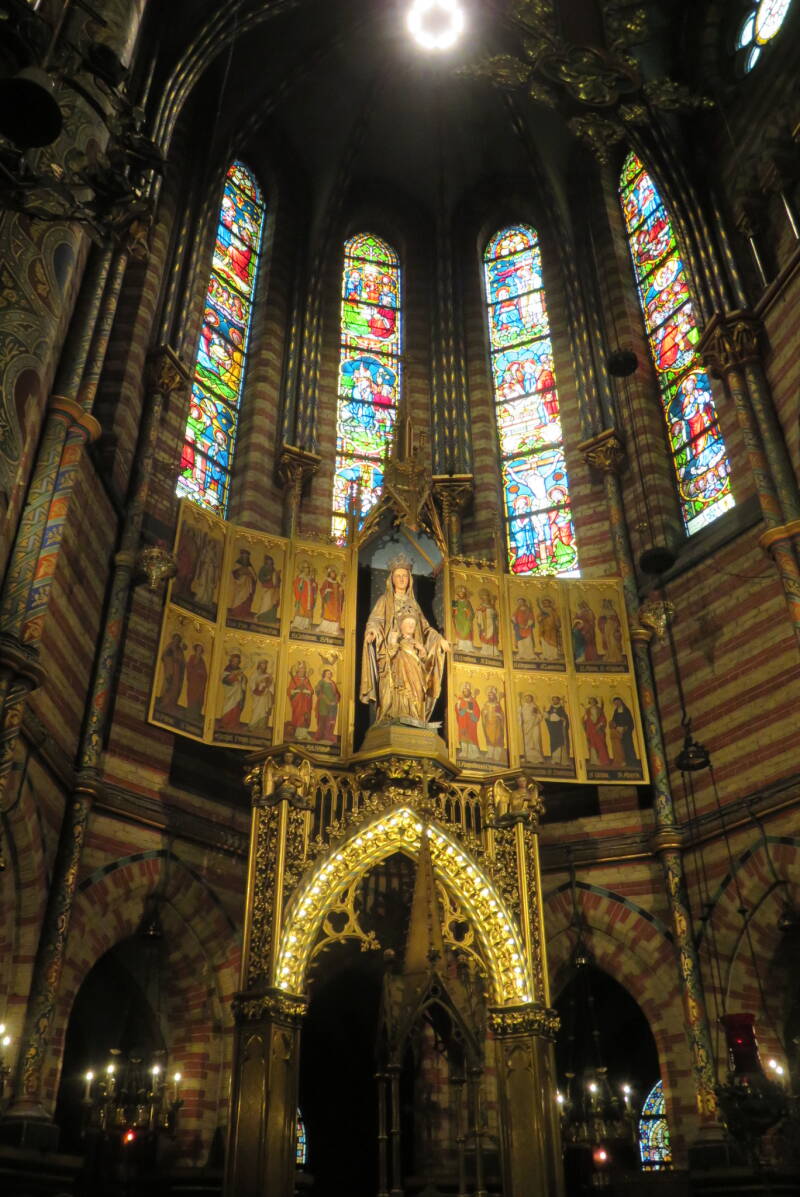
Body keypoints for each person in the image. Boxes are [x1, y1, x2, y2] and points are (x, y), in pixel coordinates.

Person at [360, 558, 449, 726]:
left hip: (412, 653)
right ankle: (391, 715)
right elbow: (375, 621)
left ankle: (414, 716)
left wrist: (439, 639)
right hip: (391, 654)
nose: (402, 579)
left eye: (405, 576)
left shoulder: (414, 604)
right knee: (393, 689)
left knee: (415, 687)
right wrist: (372, 632)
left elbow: (425, 628)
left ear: (410, 579)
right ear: (392, 579)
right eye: (398, 576)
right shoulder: (385, 600)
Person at [217, 653, 247, 731]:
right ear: (231, 661)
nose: (235, 663)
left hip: (238, 693)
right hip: (230, 693)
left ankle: (234, 724)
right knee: (228, 707)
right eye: (234, 661)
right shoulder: (227, 670)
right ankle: (225, 723)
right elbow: (224, 680)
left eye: (237, 661)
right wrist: (233, 677)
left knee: (236, 709)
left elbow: (243, 680)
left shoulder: (239, 670)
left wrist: (242, 678)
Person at [159, 632, 186, 713]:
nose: (176, 641)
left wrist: (179, 660)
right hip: (170, 669)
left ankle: (172, 703)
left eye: (178, 639)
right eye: (175, 639)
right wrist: (172, 659)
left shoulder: (180, 650)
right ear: (173, 639)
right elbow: (164, 656)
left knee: (176, 686)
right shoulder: (169, 646)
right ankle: (165, 702)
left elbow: (182, 661)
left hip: (177, 671)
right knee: (168, 684)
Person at [228, 548, 257, 621]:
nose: (245, 558)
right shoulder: (237, 564)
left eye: (246, 557)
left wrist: (249, 575)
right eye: (244, 556)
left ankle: (244, 613)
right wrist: (240, 573)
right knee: (238, 597)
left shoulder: (250, 567)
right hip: (240, 584)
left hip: (248, 585)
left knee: (246, 598)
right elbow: (234, 574)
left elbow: (254, 577)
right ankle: (236, 612)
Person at [609, 697, 638, 768]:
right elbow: (614, 720)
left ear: (621, 701)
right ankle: (624, 761)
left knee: (628, 745)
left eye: (618, 702)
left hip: (626, 731)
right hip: (619, 731)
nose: (617, 704)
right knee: (621, 747)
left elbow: (630, 721)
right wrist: (615, 726)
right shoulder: (616, 711)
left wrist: (625, 728)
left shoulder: (626, 710)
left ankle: (631, 762)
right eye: (615, 703)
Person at [287, 661, 313, 739]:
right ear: (298, 669)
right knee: (299, 716)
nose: (303, 670)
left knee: (306, 716)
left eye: (304, 668)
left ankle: (304, 733)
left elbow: (311, 690)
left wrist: (307, 691)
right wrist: (297, 691)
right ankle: (298, 734)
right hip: (298, 702)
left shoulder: (306, 679)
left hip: (306, 702)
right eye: (301, 668)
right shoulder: (294, 679)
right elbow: (290, 691)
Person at [314, 668, 341, 743]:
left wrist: (335, 700)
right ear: (324, 674)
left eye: (330, 673)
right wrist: (327, 700)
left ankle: (328, 736)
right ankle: (320, 736)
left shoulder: (332, 682)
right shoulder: (321, 682)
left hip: (333, 705)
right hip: (323, 704)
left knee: (331, 720)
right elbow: (318, 691)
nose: (330, 674)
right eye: (328, 673)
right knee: (322, 720)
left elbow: (337, 693)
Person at [455, 684, 481, 760]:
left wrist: (471, 712)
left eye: (467, 690)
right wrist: (458, 706)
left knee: (471, 736)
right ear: (463, 692)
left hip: (471, 722)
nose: (466, 692)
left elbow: (477, 711)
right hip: (462, 722)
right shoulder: (461, 701)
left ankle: (474, 753)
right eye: (464, 690)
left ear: (470, 692)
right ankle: (464, 752)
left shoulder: (473, 701)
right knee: (463, 736)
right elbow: (459, 711)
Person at [583, 696, 611, 766]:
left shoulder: (599, 709)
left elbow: (603, 719)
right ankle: (594, 761)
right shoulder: (588, 710)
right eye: (590, 702)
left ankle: (603, 761)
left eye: (593, 701)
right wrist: (585, 719)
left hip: (598, 730)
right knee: (592, 744)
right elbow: (585, 719)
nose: (592, 703)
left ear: (595, 702)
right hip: (590, 729)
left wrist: (600, 725)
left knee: (600, 744)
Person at [519, 693, 546, 764]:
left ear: (532, 699)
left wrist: (535, 718)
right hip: (526, 726)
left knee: (535, 740)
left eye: (529, 698)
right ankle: (528, 758)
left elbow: (539, 716)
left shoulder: (534, 706)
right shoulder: (522, 707)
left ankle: (538, 758)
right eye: (526, 698)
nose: (527, 699)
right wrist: (521, 720)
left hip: (534, 726)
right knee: (527, 742)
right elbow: (519, 717)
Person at [248, 659, 274, 732]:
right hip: (258, 695)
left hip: (265, 695)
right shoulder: (255, 674)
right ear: (259, 665)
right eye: (262, 664)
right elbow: (252, 683)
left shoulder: (267, 674)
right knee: (257, 710)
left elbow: (271, 685)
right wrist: (260, 684)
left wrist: (269, 682)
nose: (264, 666)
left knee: (264, 711)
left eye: (265, 664)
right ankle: (252, 726)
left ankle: (261, 726)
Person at [482, 686, 506, 764]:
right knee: (489, 739)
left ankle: (496, 756)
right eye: (489, 695)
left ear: (494, 696)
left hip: (497, 725)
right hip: (488, 725)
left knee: (497, 739)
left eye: (492, 695)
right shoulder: (486, 704)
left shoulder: (497, 704)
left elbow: (501, 714)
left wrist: (499, 715)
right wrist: (484, 713)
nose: (490, 696)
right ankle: (490, 755)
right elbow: (483, 712)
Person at [317, 567, 345, 636]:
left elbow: (340, 591)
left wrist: (341, 591)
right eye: (332, 573)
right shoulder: (326, 581)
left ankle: (334, 630)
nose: (333, 574)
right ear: (329, 574)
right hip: (329, 601)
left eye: (334, 573)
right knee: (328, 614)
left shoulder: (337, 583)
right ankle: (324, 628)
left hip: (336, 602)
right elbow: (322, 590)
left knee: (335, 615)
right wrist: (326, 591)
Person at [256, 553, 281, 626]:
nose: (269, 563)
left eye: (271, 562)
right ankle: (262, 617)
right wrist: (267, 577)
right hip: (267, 588)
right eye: (268, 561)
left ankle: (271, 619)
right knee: (266, 603)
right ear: (266, 562)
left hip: (274, 589)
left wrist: (277, 575)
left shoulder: (273, 569)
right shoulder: (263, 568)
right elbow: (260, 577)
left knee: (273, 603)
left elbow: (277, 579)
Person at [545, 696, 570, 765]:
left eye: (556, 700)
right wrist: (546, 715)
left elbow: (565, 718)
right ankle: (555, 759)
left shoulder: (561, 708)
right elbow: (547, 717)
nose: (554, 701)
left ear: (559, 701)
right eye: (553, 700)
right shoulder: (551, 708)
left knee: (561, 742)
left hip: (560, 728)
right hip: (553, 729)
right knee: (554, 743)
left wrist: (562, 719)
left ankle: (563, 760)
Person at [598, 598, 624, 664]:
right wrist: (603, 621)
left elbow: (617, 621)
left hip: (612, 627)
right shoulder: (602, 611)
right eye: (605, 604)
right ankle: (609, 656)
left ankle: (615, 657)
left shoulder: (613, 611)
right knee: (608, 641)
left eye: (607, 604)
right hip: (606, 628)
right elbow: (600, 621)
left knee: (613, 640)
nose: (606, 605)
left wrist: (611, 619)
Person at [185, 643, 208, 719]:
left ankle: (195, 715)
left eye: (200, 650)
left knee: (198, 697)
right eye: (198, 649)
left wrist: (201, 673)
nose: (199, 651)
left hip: (199, 683)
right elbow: (189, 667)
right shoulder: (192, 657)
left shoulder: (202, 661)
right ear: (195, 650)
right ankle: (190, 714)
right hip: (193, 681)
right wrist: (194, 671)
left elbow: (205, 673)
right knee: (192, 696)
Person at [476, 589, 500, 657]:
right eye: (484, 596)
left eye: (487, 596)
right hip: (484, 623)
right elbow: (478, 614)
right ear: (482, 598)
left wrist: (494, 614)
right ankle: (485, 650)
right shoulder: (481, 606)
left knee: (493, 636)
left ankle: (494, 651)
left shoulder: (492, 605)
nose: (485, 598)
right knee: (485, 636)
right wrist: (480, 618)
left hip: (491, 623)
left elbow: (495, 614)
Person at [536, 596, 561, 661]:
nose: (545, 604)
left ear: (550, 603)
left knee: (553, 642)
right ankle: (546, 655)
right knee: (545, 642)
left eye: (546, 602)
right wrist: (543, 617)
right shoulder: (542, 612)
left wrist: (557, 625)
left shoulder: (553, 611)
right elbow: (538, 619)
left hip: (552, 629)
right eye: (544, 603)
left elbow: (557, 620)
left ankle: (553, 655)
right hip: (544, 629)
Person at [292, 562, 315, 630]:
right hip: (302, 597)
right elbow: (296, 585)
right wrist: (301, 582)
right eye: (305, 568)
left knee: (308, 610)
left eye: (308, 568)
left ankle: (306, 625)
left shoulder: (310, 578)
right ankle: (297, 624)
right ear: (303, 569)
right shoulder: (300, 577)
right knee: (301, 610)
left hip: (309, 597)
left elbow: (313, 587)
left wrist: (314, 585)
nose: (307, 570)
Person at [452, 585, 475, 652]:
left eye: (462, 593)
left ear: (464, 594)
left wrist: (467, 611)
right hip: (459, 619)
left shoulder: (467, 602)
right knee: (460, 631)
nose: (461, 594)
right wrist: (455, 613)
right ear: (458, 594)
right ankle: (461, 646)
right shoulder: (455, 602)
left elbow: (471, 612)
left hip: (466, 619)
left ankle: (469, 647)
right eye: (460, 593)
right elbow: (453, 612)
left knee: (467, 631)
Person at [512, 596, 536, 661]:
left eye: (521, 602)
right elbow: (513, 617)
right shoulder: (517, 610)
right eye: (519, 602)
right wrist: (516, 623)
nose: (520, 603)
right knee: (520, 642)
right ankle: (521, 654)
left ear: (524, 602)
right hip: (519, 628)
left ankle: (529, 654)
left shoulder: (528, 610)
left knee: (528, 641)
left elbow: (531, 618)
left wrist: (527, 625)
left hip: (527, 628)